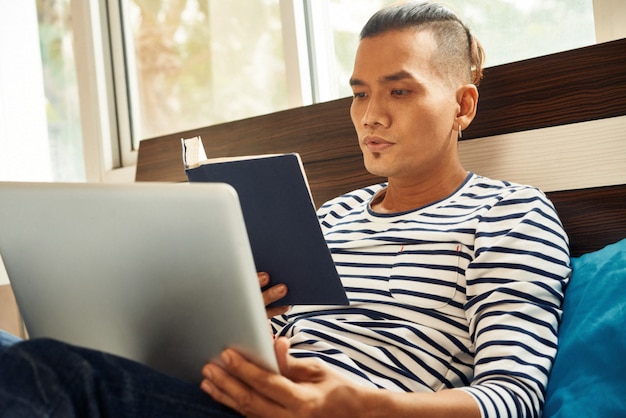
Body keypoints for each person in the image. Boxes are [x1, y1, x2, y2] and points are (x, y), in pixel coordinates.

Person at [0, 2, 571, 417]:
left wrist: (360, 406)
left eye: (399, 90)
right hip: (234, 393)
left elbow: (510, 399)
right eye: (359, 92)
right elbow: (275, 338)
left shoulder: (512, 215)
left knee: (43, 372)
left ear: (462, 106)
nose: (370, 116)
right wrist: (243, 310)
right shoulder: (331, 215)